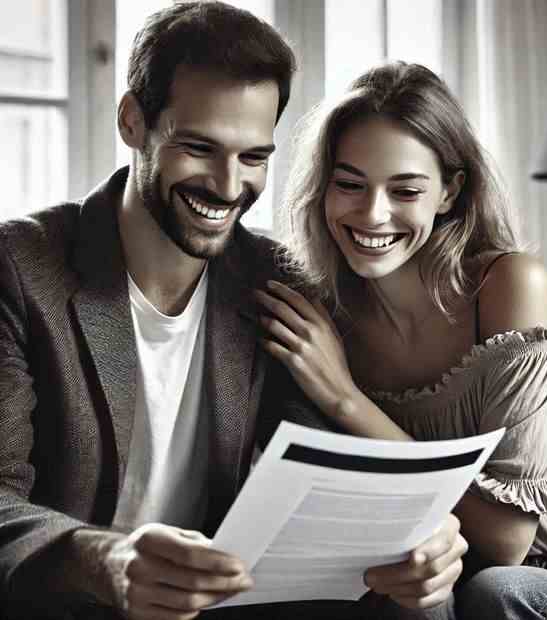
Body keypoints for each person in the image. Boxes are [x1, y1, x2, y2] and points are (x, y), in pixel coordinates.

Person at [0, 5, 467, 620]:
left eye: (254, 158)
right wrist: (107, 561)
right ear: (133, 122)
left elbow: (321, 475)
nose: (227, 186)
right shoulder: (19, 266)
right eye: (199, 147)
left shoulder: (275, 279)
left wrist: (423, 539)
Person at [254, 61, 547, 618]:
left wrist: (345, 400)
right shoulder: (319, 309)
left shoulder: (508, 285)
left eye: (405, 190)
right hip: (419, 577)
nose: (373, 214)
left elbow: (506, 542)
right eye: (349, 184)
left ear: (449, 191)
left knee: (494, 590)